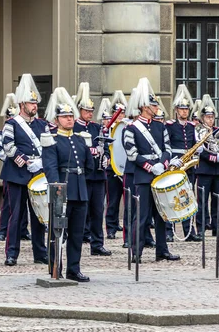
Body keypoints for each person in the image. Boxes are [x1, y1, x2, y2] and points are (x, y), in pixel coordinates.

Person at [123, 77, 180, 263]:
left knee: (162, 215)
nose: (157, 108)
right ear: (145, 107)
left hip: (160, 173)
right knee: (141, 215)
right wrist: (149, 167)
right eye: (154, 106)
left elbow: (168, 149)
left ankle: (162, 250)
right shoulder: (131, 128)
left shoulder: (160, 126)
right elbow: (132, 154)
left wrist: (163, 164)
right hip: (143, 176)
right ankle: (136, 250)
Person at [41, 88, 93, 282]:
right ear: (57, 120)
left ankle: (74, 268)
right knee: (58, 233)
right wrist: (58, 189)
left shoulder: (80, 140)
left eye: (71, 116)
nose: (69, 120)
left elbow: (88, 166)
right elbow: (50, 168)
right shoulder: (51, 140)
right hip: (62, 191)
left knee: (77, 234)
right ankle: (56, 267)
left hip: (79, 191)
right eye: (65, 117)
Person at [0, 74, 47, 266]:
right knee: (16, 215)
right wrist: (27, 162)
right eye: (30, 103)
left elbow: (48, 146)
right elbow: (9, 147)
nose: (34, 106)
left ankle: (40, 253)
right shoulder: (11, 124)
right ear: (22, 104)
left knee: (39, 215)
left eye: (35, 103)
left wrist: (41, 162)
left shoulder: (42, 124)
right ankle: (12, 253)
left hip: (38, 174)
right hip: (18, 174)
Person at [74, 83, 111, 256]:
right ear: (79, 110)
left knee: (97, 211)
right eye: (87, 110)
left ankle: (97, 244)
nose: (90, 113)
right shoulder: (74, 128)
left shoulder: (97, 128)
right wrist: (91, 151)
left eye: (91, 110)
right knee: (81, 211)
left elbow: (106, 147)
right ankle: (78, 240)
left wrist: (107, 159)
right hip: (83, 175)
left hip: (98, 175)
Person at [165, 84, 201, 242]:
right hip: (175, 164)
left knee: (188, 198)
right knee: (172, 199)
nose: (184, 111)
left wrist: (198, 152)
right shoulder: (170, 126)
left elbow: (195, 143)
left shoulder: (193, 127)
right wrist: (173, 159)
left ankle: (189, 230)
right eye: (181, 109)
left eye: (186, 109)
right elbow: (165, 145)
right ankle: (168, 230)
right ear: (176, 110)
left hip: (189, 167)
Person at [0, 93, 30, 242]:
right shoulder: (2, 132)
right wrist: (17, 160)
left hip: (23, 169)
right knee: (9, 206)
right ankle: (3, 231)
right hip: (11, 169)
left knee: (25, 206)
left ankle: (23, 229)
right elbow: (1, 152)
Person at [196, 94, 219, 237]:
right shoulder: (199, 131)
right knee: (202, 201)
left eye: (212, 117)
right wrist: (214, 157)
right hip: (204, 169)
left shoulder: (218, 131)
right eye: (208, 117)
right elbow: (199, 150)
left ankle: (217, 227)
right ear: (203, 117)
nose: (210, 119)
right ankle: (202, 227)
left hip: (217, 171)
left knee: (217, 200)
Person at [105, 91, 127, 239]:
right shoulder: (106, 129)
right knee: (112, 201)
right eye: (117, 113)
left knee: (128, 201)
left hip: (125, 168)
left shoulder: (127, 128)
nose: (120, 116)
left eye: (122, 113)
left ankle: (126, 228)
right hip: (111, 169)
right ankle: (111, 228)